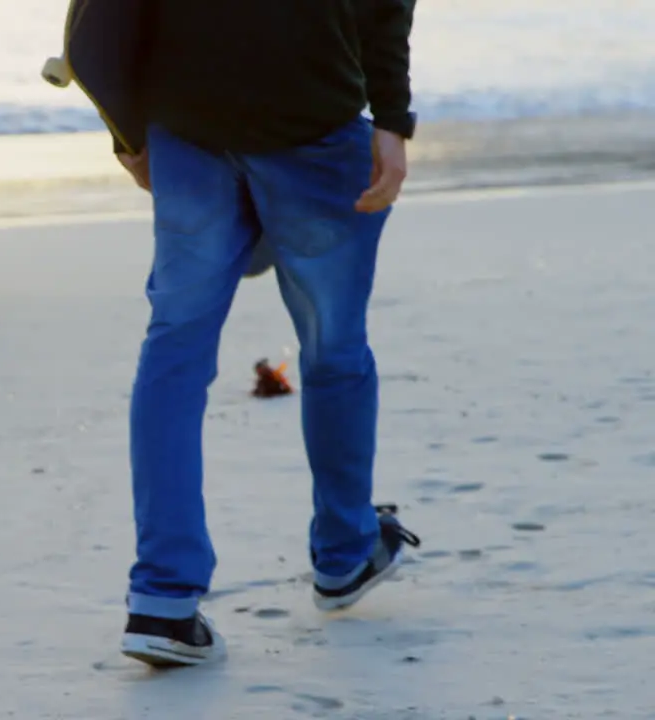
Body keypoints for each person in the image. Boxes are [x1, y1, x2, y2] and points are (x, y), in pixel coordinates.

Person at [102, 0, 424, 667]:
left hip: (188, 126)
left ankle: (162, 602)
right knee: (333, 347)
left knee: (174, 353)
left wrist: (129, 130)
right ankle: (343, 553)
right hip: (310, 118)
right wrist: (392, 118)